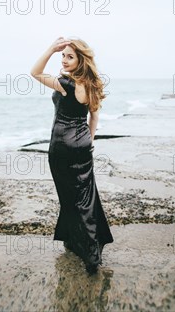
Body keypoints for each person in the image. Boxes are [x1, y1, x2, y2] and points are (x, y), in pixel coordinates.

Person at [30, 36, 114, 274]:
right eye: (62, 55)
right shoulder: (92, 85)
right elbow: (94, 118)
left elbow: (34, 72)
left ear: (80, 60)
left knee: (68, 198)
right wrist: (89, 142)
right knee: (86, 196)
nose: (64, 60)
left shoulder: (65, 84)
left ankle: (88, 251)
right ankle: (82, 243)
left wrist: (50, 48)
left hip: (61, 146)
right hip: (83, 145)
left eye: (69, 56)